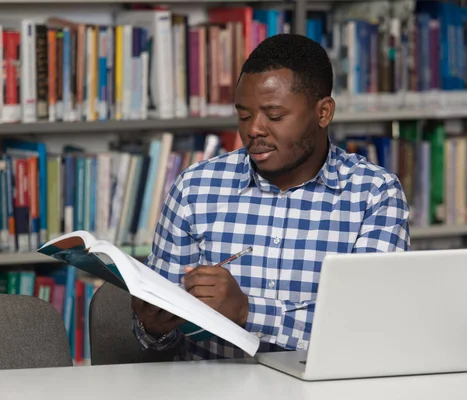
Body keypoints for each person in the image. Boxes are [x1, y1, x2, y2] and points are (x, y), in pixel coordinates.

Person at [131, 33, 410, 360]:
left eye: (274, 116)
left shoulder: (375, 195)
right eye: (244, 115)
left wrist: (246, 312)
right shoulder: (195, 188)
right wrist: (153, 328)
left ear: (323, 113)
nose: (254, 130)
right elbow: (161, 346)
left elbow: (368, 329)